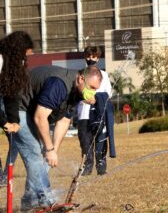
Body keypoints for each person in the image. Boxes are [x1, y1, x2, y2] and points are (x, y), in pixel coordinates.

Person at [13, 64, 102, 211]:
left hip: (32, 111)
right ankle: (47, 201)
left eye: (96, 90)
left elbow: (64, 120)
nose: (93, 93)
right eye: (92, 87)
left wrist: (54, 150)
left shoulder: (76, 92)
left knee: (42, 156)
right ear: (81, 79)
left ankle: (29, 201)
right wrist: (49, 148)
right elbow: (40, 117)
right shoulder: (59, 84)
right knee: (35, 152)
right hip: (17, 107)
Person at [0, 31, 34, 186]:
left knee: (14, 140)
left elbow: (11, 94)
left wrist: (14, 121)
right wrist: (4, 122)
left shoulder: (11, 66)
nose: (24, 60)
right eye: (23, 55)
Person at [77, 46, 113, 175]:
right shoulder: (80, 73)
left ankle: (101, 165)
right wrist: (84, 97)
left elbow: (108, 93)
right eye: (88, 56)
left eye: (93, 56)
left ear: (98, 58)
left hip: (98, 114)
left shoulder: (103, 75)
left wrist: (96, 99)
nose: (90, 59)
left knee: (100, 140)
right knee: (85, 141)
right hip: (83, 114)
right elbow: (77, 92)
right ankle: (87, 166)